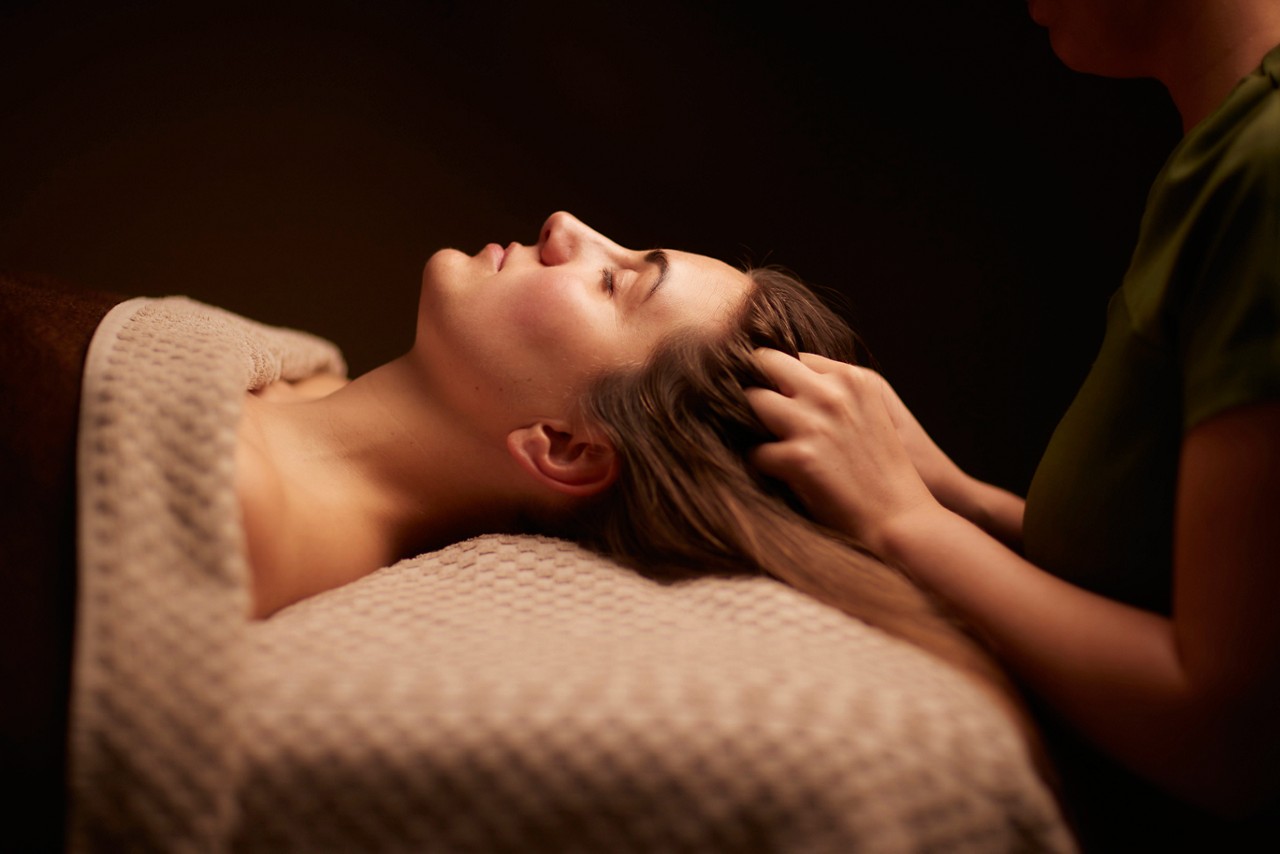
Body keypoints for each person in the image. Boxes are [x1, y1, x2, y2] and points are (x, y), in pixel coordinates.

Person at [745, 0, 1280, 845]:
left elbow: (1234, 739)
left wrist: (905, 522)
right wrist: (959, 497)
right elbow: (1175, 581)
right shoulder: (1226, 152)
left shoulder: (1268, 170)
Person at [236, 212, 1029, 729]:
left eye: (614, 281)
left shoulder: (236, 506)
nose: (564, 227)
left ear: (567, 446)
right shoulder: (296, 380)